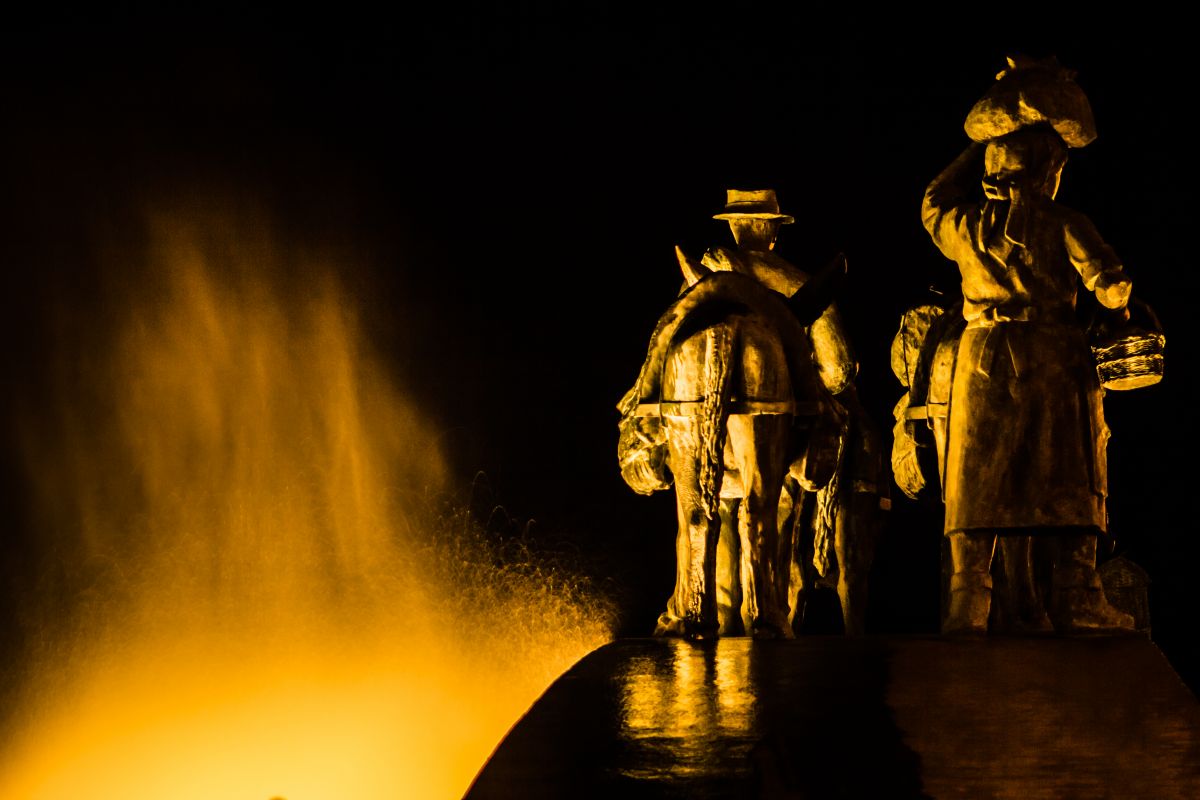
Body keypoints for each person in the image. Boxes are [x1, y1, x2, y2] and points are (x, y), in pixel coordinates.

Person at [921, 58, 1135, 634]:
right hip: (1053, 359)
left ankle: (969, 600)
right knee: (1071, 475)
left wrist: (979, 147)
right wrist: (1119, 297)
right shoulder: (1067, 221)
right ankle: (1079, 594)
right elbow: (1110, 289)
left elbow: (933, 200)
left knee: (978, 476)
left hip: (984, 356)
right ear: (1050, 169)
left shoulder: (965, 226)